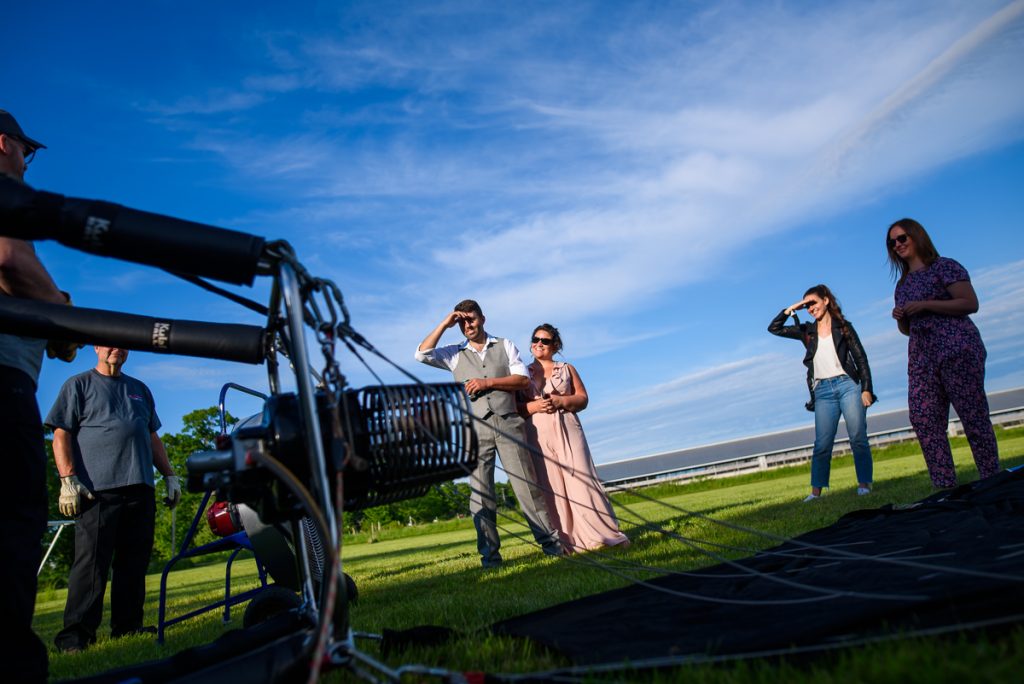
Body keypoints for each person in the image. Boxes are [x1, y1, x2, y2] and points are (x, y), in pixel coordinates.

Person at [0, 108, 77, 683]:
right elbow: (13, 262)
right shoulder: (4, 193)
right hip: (2, 385)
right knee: (10, 528)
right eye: (27, 151)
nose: (27, 162)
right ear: (6, 144)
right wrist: (61, 314)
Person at [45, 345, 181, 652]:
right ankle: (75, 637)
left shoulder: (139, 389)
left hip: (140, 487)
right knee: (91, 566)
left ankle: (128, 628)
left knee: (133, 564)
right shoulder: (78, 385)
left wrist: (170, 475)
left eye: (121, 343)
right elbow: (61, 434)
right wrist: (67, 480)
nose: (116, 347)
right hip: (98, 491)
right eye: (108, 342)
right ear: (96, 347)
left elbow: (150, 435)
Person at [415, 299, 563, 567]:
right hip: (476, 430)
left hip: (509, 423)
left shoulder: (504, 345)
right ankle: (491, 559)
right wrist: (445, 324)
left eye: (470, 319)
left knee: (527, 489)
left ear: (482, 318)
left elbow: (522, 380)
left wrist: (487, 382)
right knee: (481, 495)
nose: (467, 325)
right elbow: (422, 354)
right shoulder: (453, 353)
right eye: (461, 322)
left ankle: (552, 547)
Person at [887, 218, 999, 488]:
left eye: (902, 238)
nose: (897, 245)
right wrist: (901, 317)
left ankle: (992, 481)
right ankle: (945, 486)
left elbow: (970, 303)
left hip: (956, 348)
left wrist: (926, 304)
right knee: (923, 417)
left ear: (917, 237)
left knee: (972, 416)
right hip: (922, 358)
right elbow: (908, 329)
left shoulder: (944, 266)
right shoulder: (902, 286)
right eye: (892, 242)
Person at [518, 323, 628, 551]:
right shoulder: (521, 373)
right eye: (535, 339)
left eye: (545, 341)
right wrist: (535, 406)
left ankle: (602, 535)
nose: (539, 343)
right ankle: (568, 542)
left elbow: (583, 399)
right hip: (537, 435)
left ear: (555, 346)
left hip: (568, 429)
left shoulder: (567, 368)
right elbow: (515, 408)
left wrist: (561, 401)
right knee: (552, 487)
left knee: (582, 481)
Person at [768, 285, 876, 501]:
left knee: (857, 437)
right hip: (823, 391)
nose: (810, 308)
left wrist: (866, 389)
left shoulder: (844, 327)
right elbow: (775, 328)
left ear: (826, 301)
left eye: (813, 303)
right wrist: (792, 308)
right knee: (822, 444)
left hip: (848, 385)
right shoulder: (807, 331)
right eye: (806, 306)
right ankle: (816, 492)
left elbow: (860, 358)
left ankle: (864, 485)